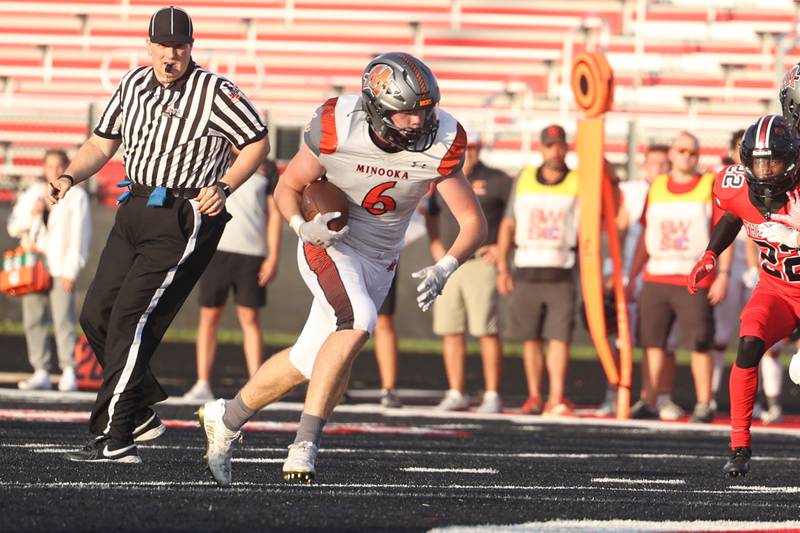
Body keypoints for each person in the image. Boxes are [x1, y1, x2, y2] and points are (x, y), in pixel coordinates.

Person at [199, 51, 487, 486]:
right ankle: (305, 443)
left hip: (381, 261)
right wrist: (301, 226)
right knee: (358, 321)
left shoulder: (441, 140)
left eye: (423, 111)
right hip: (330, 242)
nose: (417, 122)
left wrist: (447, 265)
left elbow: (473, 223)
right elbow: (289, 187)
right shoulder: (339, 125)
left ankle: (227, 416)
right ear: (376, 108)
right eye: (406, 112)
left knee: (308, 360)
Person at [47, 6, 269, 464]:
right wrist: (70, 177)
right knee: (97, 314)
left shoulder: (214, 91)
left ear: (191, 47)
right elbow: (102, 142)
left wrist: (224, 185)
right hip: (135, 207)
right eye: (164, 45)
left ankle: (115, 434)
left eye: (181, 46)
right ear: (148, 45)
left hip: (183, 213)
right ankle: (142, 411)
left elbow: (256, 142)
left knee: (131, 318)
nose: (172, 54)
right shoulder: (132, 83)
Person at [688, 114, 800, 476]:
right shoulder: (734, 186)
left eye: (774, 161)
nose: (766, 170)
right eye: (758, 161)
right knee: (749, 342)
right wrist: (710, 254)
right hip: (776, 289)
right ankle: (739, 446)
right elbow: (733, 217)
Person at [627, 131, 731, 423]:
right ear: (672, 154)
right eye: (682, 150)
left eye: (693, 152)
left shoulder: (708, 185)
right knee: (652, 342)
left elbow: (725, 232)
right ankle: (648, 398)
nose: (687, 156)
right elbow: (644, 236)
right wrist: (632, 276)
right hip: (657, 274)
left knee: (699, 342)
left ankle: (704, 402)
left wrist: (723, 273)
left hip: (693, 275)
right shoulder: (657, 186)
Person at [425, 127, 511, 413]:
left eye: (472, 148)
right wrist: (435, 243)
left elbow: (514, 216)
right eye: (464, 148)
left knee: (486, 330)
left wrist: (501, 247)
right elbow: (431, 213)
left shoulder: (497, 180)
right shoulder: (443, 175)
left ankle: (492, 393)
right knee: (451, 329)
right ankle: (455, 391)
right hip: (448, 262)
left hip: (478, 261)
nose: (468, 153)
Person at [496, 124, 578, 416]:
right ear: (542, 148)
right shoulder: (525, 178)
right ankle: (534, 395)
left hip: (561, 268)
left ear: (566, 147)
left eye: (559, 145)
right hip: (527, 267)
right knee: (530, 336)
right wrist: (503, 268)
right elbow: (509, 224)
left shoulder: (577, 181)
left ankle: (555, 396)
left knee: (559, 337)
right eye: (549, 145)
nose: (555, 150)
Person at [183, 159, 282, 401]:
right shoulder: (216, 156)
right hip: (216, 250)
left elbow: (275, 216)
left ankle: (256, 385)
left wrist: (272, 257)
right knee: (209, 316)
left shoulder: (266, 168)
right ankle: (203, 383)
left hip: (252, 253)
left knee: (250, 318)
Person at [7, 150, 91, 391]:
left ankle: (68, 369)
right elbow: (14, 226)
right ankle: (41, 369)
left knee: (63, 319)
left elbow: (80, 237)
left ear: (66, 167)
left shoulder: (77, 197)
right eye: (50, 166)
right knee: (34, 319)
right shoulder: (33, 193)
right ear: (43, 168)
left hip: (60, 267)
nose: (54, 171)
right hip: (34, 267)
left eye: (59, 166)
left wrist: (71, 270)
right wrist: (32, 213)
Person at [612, 144, 683, 419]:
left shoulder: (676, 190)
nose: (661, 168)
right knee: (630, 338)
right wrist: (616, 269)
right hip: (635, 272)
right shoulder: (632, 191)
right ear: (644, 165)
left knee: (667, 341)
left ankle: (662, 395)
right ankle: (620, 392)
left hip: (663, 271)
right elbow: (619, 231)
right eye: (655, 163)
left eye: (665, 162)